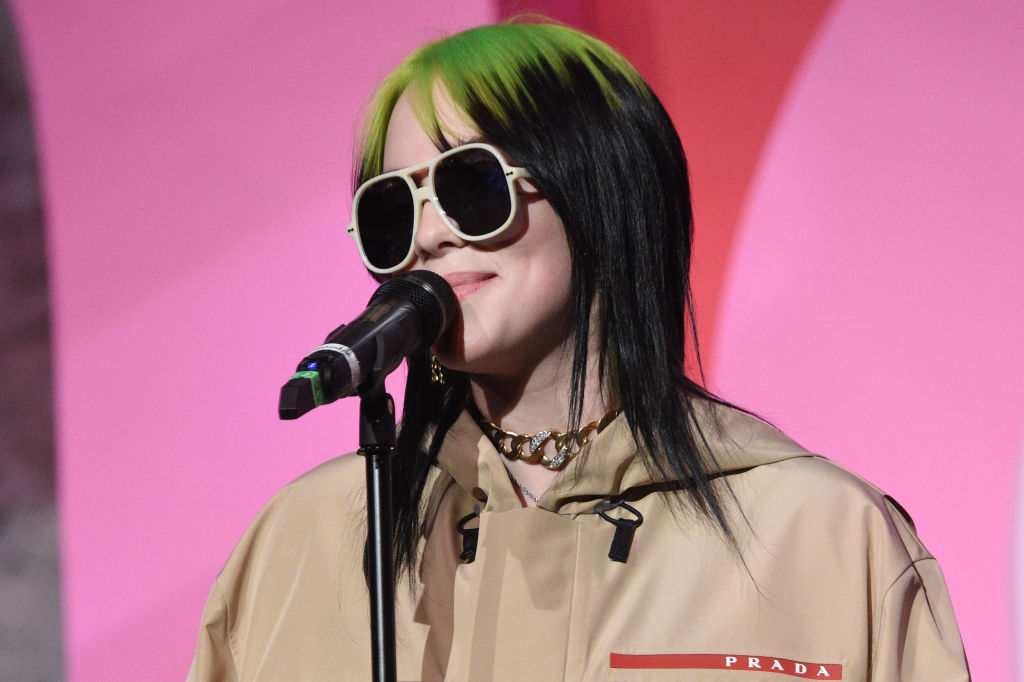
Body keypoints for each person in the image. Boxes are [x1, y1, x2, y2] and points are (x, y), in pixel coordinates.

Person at [188, 21, 969, 681]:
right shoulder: (300, 544)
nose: (428, 234)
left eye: (469, 186)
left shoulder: (825, 540)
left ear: (599, 190)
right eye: (393, 208)